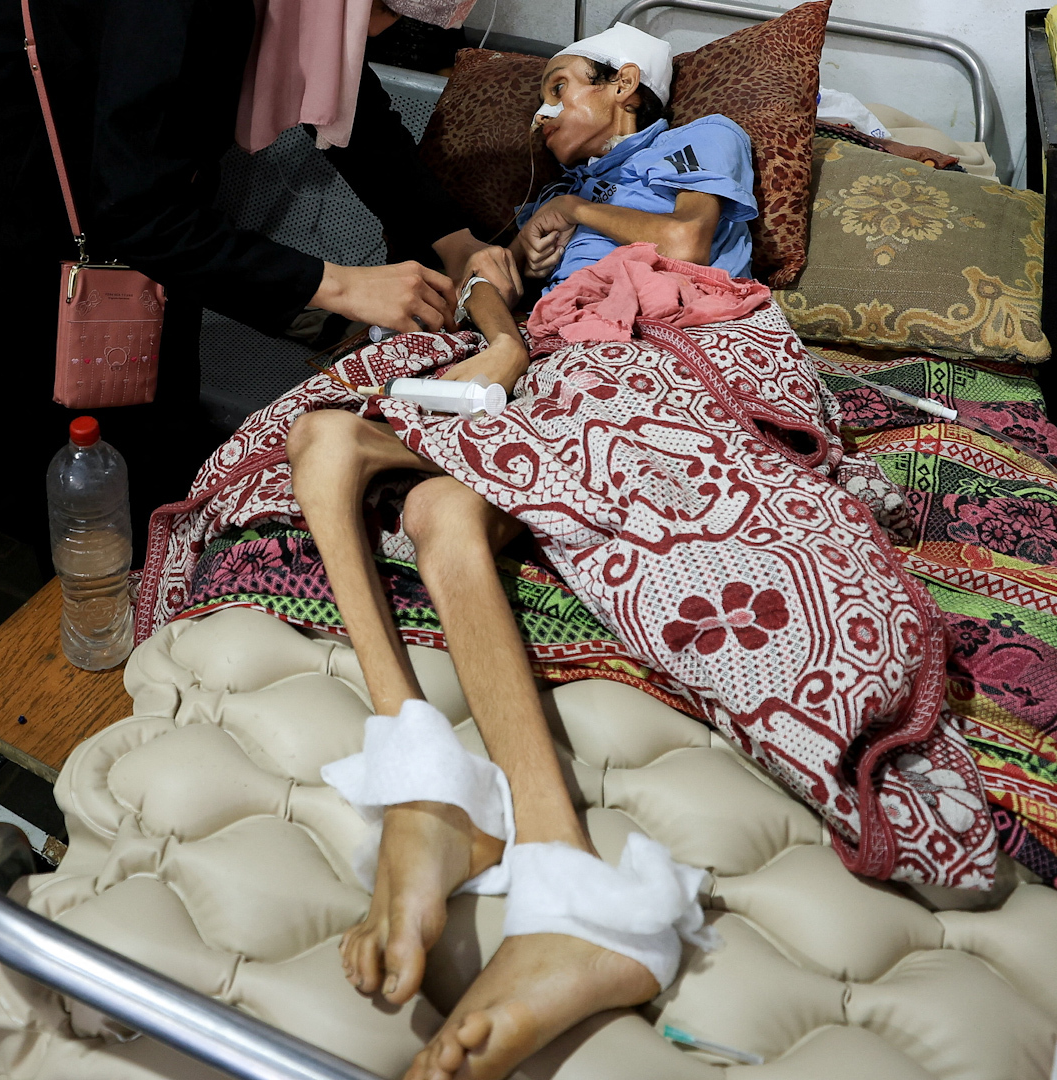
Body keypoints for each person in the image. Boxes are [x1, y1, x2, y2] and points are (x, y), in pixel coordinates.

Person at [284, 25, 757, 1080]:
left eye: (558, 88)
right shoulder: (547, 205)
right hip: (543, 362)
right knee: (325, 444)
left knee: (436, 509)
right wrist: (497, 311)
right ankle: (429, 789)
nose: (542, 117)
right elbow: (486, 286)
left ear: (626, 84)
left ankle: (554, 871)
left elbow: (686, 245)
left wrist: (576, 215)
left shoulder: (700, 140)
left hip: (656, 351)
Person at [0, 0, 519, 573]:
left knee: (157, 415)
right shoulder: (177, 10)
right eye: (382, 8)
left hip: (138, 189)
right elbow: (140, 212)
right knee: (61, 448)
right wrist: (336, 284)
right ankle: (82, 603)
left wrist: (447, 233)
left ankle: (163, 557)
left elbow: (334, 83)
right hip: (19, 189)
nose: (386, 30)